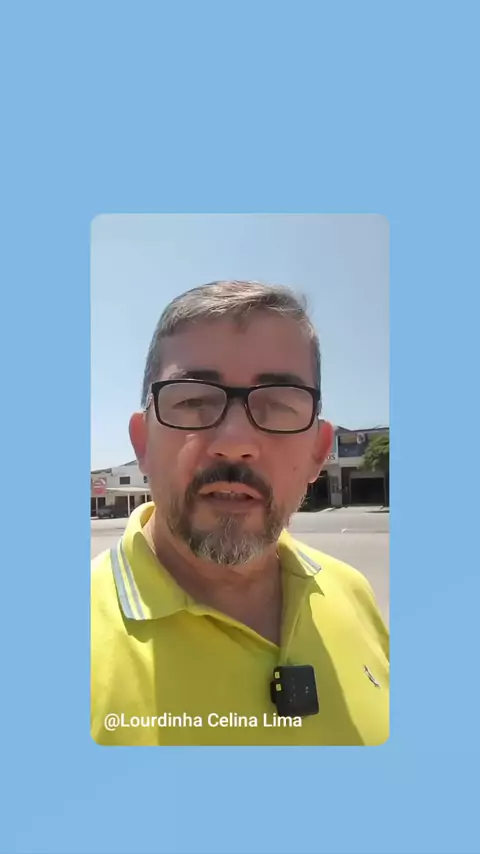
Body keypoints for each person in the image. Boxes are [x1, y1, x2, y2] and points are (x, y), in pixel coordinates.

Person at [91, 281, 389, 746]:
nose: (234, 443)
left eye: (278, 404)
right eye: (193, 401)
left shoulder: (352, 592)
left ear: (318, 451)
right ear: (142, 443)